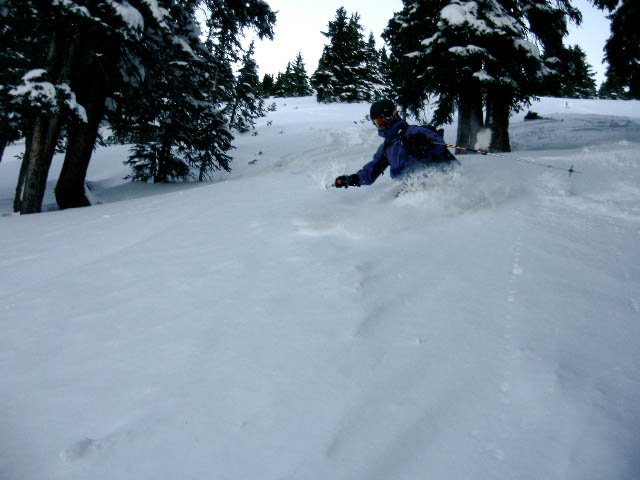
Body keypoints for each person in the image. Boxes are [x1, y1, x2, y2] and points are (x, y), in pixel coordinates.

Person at [334, 99, 456, 188]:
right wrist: (353, 179)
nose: (380, 126)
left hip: (435, 181)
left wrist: (423, 142)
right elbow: (371, 170)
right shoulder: (386, 148)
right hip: (407, 187)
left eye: (382, 121)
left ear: (393, 116)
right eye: (376, 123)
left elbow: (439, 143)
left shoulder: (414, 132)